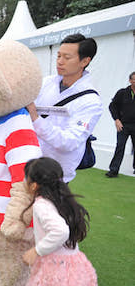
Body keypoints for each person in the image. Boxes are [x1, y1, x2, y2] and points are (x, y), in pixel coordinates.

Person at [21, 157, 97, 286]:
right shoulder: (61, 199)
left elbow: (60, 231)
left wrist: (37, 250)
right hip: (69, 267)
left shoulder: (42, 204)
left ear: (34, 185)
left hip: (55, 270)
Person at [25, 33, 102, 183]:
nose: (60, 62)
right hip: (28, 164)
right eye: (58, 56)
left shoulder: (91, 101)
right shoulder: (46, 83)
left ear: (85, 61)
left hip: (55, 176)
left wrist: (35, 118)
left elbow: (69, 141)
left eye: (67, 58)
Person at [105, 71, 135, 177]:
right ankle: (113, 170)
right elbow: (112, 106)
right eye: (134, 79)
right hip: (123, 125)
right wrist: (116, 120)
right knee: (120, 147)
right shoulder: (122, 93)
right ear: (130, 80)